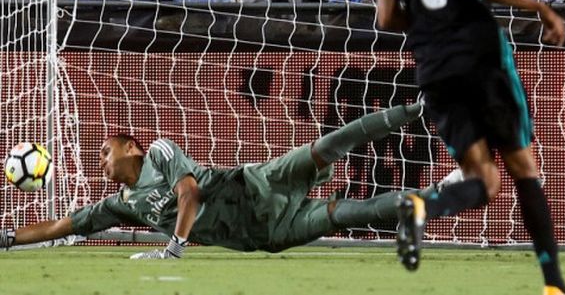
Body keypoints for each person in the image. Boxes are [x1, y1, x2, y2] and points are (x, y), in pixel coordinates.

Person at [376, 0, 565, 295]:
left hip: (433, 64)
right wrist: (539, 7)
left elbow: (385, 16)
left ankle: (423, 206)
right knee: (522, 168)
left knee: (482, 179)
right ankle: (553, 286)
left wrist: (427, 23)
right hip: (480, 54)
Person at [0, 103, 426, 257]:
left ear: (132, 145)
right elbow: (66, 225)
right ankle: (441, 194)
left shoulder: (161, 152)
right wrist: (8, 238)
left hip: (259, 184)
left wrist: (175, 246)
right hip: (265, 233)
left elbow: (190, 193)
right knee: (351, 214)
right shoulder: (122, 204)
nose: (100, 160)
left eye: (105, 151)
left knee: (327, 145)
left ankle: (415, 110)